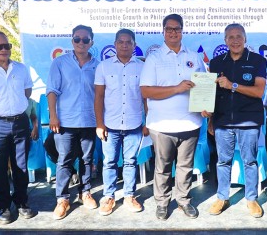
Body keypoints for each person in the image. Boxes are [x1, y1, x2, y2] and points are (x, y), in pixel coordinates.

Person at [140, 14, 206, 220]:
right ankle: (162, 202)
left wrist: (205, 106)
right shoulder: (154, 57)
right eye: (169, 29)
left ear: (182, 30)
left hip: (190, 121)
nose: (173, 32)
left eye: (177, 29)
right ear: (163, 31)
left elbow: (204, 86)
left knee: (185, 166)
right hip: (161, 124)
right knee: (163, 167)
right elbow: (146, 91)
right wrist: (177, 88)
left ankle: (184, 200)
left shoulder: (194, 57)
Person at [202, 23, 266, 218]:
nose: (235, 40)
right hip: (222, 121)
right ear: (225, 41)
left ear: (245, 39)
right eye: (231, 37)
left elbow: (259, 91)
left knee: (250, 161)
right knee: (222, 162)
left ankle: (251, 199)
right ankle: (222, 197)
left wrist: (232, 85)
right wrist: (210, 117)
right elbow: (211, 93)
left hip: (248, 121)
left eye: (239, 36)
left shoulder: (257, 60)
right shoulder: (216, 62)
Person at [46, 25, 100, 220]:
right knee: (65, 160)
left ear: (91, 42)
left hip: (89, 120)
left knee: (86, 159)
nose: (81, 43)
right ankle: (62, 199)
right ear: (72, 41)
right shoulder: (60, 63)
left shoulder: (97, 65)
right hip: (65, 121)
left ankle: (85, 192)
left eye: (85, 40)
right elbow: (52, 90)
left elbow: (100, 94)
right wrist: (53, 115)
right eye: (77, 39)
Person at [94, 28, 148, 216]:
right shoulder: (103, 66)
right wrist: (99, 124)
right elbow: (99, 97)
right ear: (115, 44)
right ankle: (108, 197)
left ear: (134, 45)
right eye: (121, 42)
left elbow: (145, 98)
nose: (125, 45)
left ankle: (128, 196)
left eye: (129, 42)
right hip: (110, 125)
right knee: (109, 162)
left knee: (130, 161)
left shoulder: (142, 67)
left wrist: (147, 121)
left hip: (134, 125)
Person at [0, 31, 34, 224]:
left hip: (20, 122)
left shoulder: (21, 69)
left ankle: (22, 202)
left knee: (21, 166)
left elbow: (27, 91)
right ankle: (3, 207)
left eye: (7, 46)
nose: (4, 50)